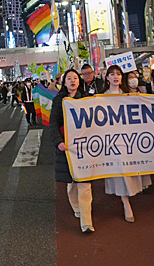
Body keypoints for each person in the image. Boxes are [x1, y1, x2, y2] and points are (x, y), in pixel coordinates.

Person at [102, 65, 152, 222]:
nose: (115, 77)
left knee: (130, 168)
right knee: (120, 171)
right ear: (107, 77)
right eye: (112, 74)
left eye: (118, 74)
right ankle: (126, 203)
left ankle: (129, 196)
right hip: (113, 139)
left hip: (130, 137)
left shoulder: (129, 95)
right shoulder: (101, 97)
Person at [48, 69, 94, 233]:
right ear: (64, 82)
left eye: (75, 78)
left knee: (84, 182)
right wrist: (58, 142)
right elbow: (53, 123)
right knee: (72, 183)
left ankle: (86, 222)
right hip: (67, 146)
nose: (73, 81)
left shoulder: (87, 99)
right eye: (69, 78)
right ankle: (76, 206)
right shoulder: (58, 100)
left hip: (85, 146)